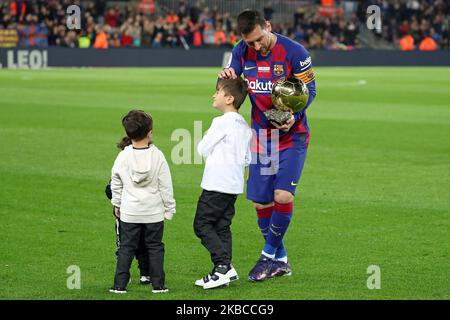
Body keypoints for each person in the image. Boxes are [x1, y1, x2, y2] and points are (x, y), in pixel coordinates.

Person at [218, 9, 317, 282]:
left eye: (260, 39)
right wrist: (226, 74)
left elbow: (311, 90)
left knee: (283, 196)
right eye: (250, 42)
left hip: (292, 136)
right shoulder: (241, 51)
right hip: (261, 137)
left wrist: (293, 116)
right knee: (261, 202)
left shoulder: (294, 52)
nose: (257, 46)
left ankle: (266, 256)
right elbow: (230, 82)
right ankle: (280, 260)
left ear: (268, 26)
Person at [193, 78, 252, 289]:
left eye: (217, 92)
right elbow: (247, 159)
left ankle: (222, 267)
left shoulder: (221, 122)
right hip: (233, 185)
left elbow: (201, 149)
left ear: (229, 98)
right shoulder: (244, 124)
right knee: (222, 226)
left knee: (201, 225)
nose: (213, 95)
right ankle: (226, 269)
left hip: (216, 183)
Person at [109, 110, 176, 293]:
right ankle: (158, 285)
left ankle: (119, 285)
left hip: (130, 212)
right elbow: (165, 186)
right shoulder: (157, 156)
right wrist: (169, 208)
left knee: (126, 248)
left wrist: (117, 204)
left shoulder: (123, 156)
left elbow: (116, 182)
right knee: (155, 247)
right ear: (150, 133)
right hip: (153, 213)